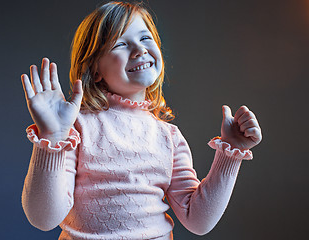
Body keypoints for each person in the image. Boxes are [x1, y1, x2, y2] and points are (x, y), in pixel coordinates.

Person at [21, 1, 262, 239]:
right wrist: (52, 138)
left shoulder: (169, 137)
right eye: (121, 44)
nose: (139, 50)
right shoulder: (77, 128)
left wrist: (230, 153)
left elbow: (198, 221)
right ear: (95, 70)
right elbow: (43, 219)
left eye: (145, 38)